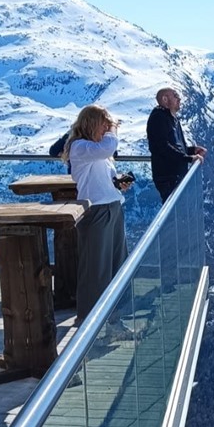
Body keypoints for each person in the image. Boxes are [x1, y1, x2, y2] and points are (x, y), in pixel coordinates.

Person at [62, 105, 131, 324]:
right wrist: (112, 130)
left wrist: (118, 183)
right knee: (95, 269)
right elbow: (108, 148)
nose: (106, 129)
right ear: (92, 124)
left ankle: (111, 318)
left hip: (111, 206)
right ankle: (90, 321)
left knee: (114, 264)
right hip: (96, 210)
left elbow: (104, 173)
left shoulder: (93, 149)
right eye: (103, 124)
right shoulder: (79, 147)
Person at [146, 87, 206, 203]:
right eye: (175, 95)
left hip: (175, 176)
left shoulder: (171, 118)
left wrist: (192, 150)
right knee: (174, 215)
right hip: (168, 178)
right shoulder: (159, 118)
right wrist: (187, 158)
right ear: (165, 99)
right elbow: (161, 147)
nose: (179, 99)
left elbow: (174, 146)